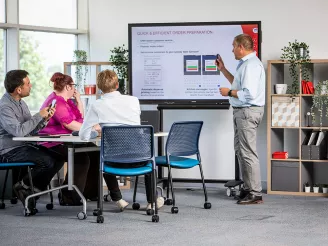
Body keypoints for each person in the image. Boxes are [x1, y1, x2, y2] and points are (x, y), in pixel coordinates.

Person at [38, 72, 129, 210]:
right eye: (73, 86)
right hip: (53, 142)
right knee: (82, 157)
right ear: (68, 87)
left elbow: (80, 119)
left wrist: (79, 101)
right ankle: (69, 196)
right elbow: (70, 124)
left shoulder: (67, 102)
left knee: (96, 154)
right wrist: (94, 128)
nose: (75, 89)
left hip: (69, 139)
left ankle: (90, 193)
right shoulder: (56, 101)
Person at [80, 69, 164, 210]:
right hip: (139, 158)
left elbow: (83, 136)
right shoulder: (133, 100)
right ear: (117, 84)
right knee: (150, 157)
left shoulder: (96, 105)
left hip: (113, 161)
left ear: (100, 88)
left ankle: (118, 199)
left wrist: (99, 131)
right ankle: (152, 201)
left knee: (102, 154)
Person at [0, 70, 65, 209]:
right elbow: (19, 132)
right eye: (28, 83)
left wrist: (44, 119)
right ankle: (23, 187)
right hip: (9, 150)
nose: (31, 86)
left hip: (24, 145)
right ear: (18, 89)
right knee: (46, 161)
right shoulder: (5, 107)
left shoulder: (21, 103)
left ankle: (30, 191)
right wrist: (38, 115)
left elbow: (30, 130)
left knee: (59, 157)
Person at [216, 34, 265, 205]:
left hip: (247, 111)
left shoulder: (251, 66)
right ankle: (248, 188)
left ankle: (255, 193)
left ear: (241, 47)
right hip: (242, 112)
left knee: (248, 152)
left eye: (233, 46)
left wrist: (228, 93)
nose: (232, 49)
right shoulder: (246, 65)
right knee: (241, 150)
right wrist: (223, 69)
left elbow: (248, 94)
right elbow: (238, 85)